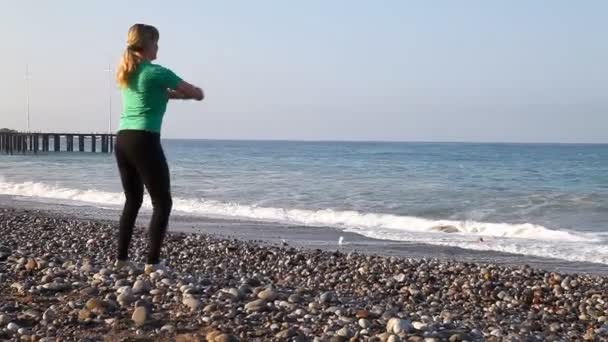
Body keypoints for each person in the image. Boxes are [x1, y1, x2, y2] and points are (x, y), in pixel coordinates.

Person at [113, 23, 204, 274]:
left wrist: (177, 95)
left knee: (133, 200)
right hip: (144, 139)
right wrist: (198, 93)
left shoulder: (128, 73)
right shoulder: (156, 72)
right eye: (156, 42)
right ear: (147, 43)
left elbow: (162, 95)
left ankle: (122, 259)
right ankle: (152, 263)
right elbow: (192, 91)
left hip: (123, 140)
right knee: (163, 202)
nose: (158, 47)